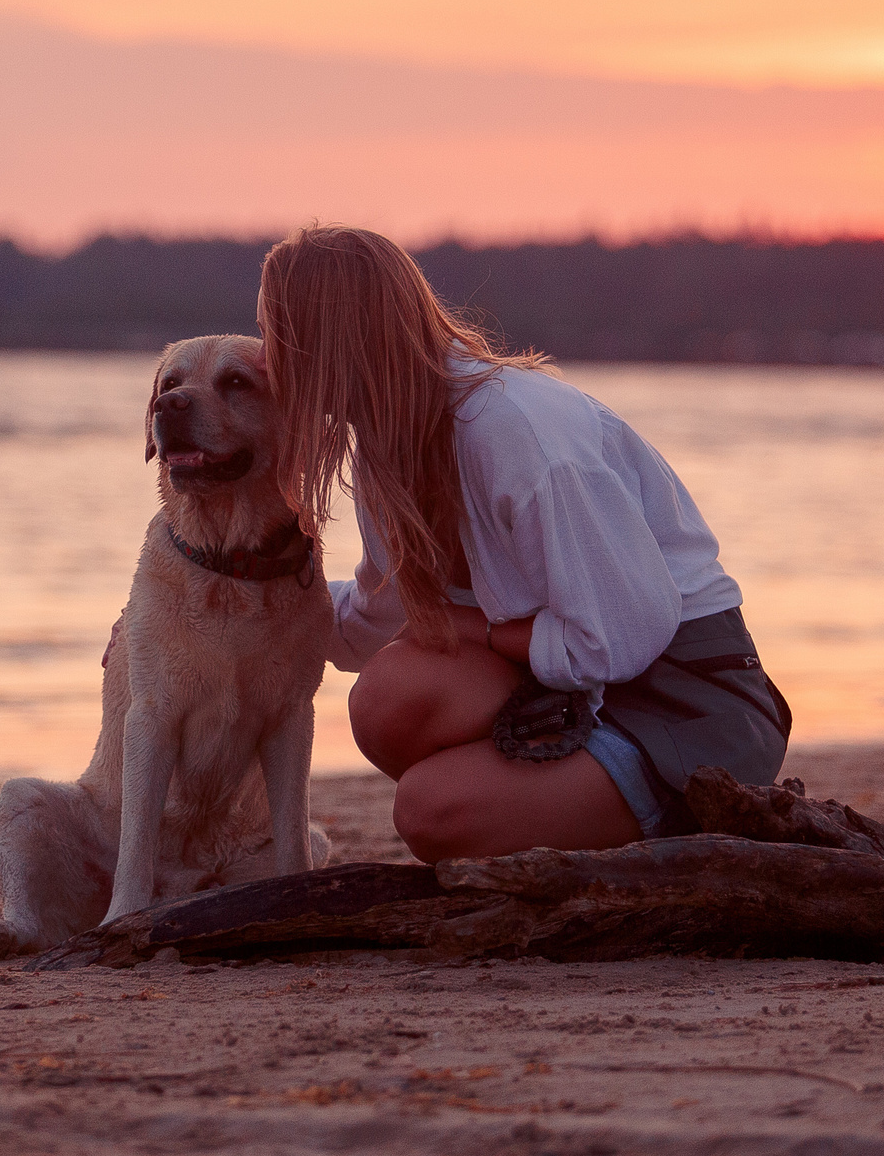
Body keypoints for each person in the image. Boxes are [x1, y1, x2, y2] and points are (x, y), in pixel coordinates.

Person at [257, 224, 792, 861]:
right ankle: (551, 819)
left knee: (429, 811)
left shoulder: (519, 433)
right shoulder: (388, 448)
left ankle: (652, 834)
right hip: (563, 696)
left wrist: (473, 629)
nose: (267, 359)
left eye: (278, 336)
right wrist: (207, 606)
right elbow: (370, 625)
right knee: (384, 698)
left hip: (684, 703)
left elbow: (619, 638)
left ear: (329, 340)